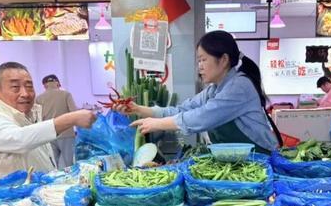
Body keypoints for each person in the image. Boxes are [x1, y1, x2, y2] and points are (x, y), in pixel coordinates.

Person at [114, 30, 281, 153]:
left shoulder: (239, 86)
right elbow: (183, 110)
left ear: (223, 60)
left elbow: (202, 117)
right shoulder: (214, 89)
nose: (199, 66)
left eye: (203, 60)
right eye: (198, 60)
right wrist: (140, 109)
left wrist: (157, 124)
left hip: (259, 158)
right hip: (238, 159)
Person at [0, 62, 95, 180]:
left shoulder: (31, 112)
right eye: (15, 87)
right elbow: (20, 139)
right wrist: (71, 118)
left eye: (29, 87)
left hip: (40, 191)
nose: (25, 94)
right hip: (15, 195)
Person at [36, 74, 78, 168]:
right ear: (58, 83)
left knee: (54, 164)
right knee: (68, 164)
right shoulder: (66, 94)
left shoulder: (38, 98)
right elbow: (74, 112)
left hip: (47, 135)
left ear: (45, 85)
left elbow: (36, 118)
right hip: (66, 133)